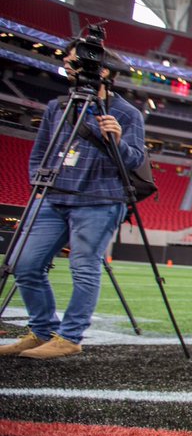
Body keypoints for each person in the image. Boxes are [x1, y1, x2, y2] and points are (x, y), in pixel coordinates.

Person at [1, 41, 145, 359]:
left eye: (74, 61)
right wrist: (38, 183)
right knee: (25, 264)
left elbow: (134, 160)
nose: (68, 65)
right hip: (53, 197)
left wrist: (117, 141)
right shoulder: (58, 106)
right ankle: (41, 331)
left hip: (100, 199)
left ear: (103, 71)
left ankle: (70, 336)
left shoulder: (127, 113)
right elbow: (41, 150)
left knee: (84, 267)